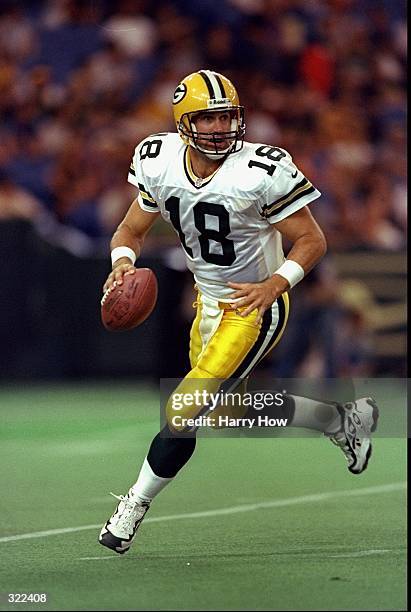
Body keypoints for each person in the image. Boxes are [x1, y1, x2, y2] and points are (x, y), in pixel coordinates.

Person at [98, 70, 378, 555]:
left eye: (227, 116)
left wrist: (275, 283)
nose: (220, 127)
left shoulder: (261, 170)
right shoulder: (157, 160)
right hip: (207, 304)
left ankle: (131, 510)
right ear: (185, 124)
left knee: (183, 410)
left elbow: (313, 239)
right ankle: (341, 422)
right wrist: (122, 265)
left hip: (254, 305)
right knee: (226, 408)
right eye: (208, 118)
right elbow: (130, 231)